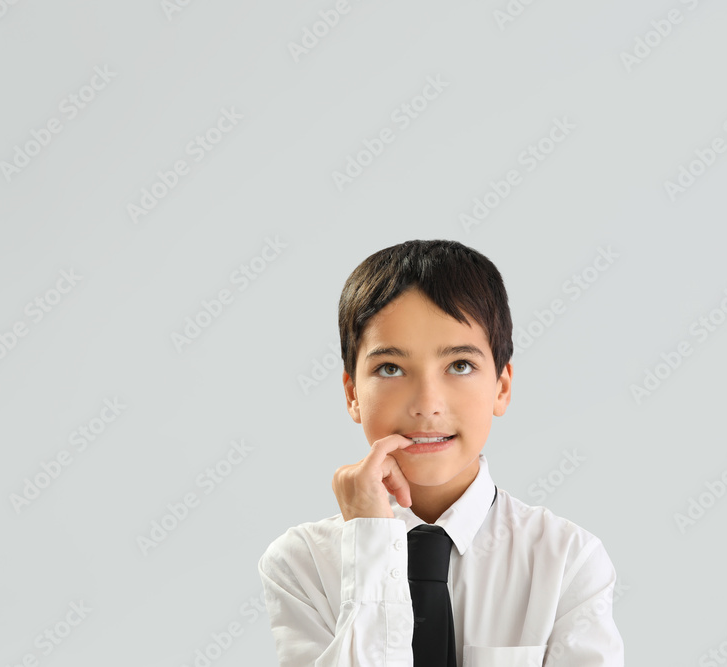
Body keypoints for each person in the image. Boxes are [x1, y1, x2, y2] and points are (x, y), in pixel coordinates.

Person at [257, 239, 624, 665]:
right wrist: (371, 544)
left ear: (501, 388)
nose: (427, 403)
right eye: (390, 368)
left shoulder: (566, 561)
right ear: (353, 393)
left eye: (460, 365)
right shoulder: (302, 565)